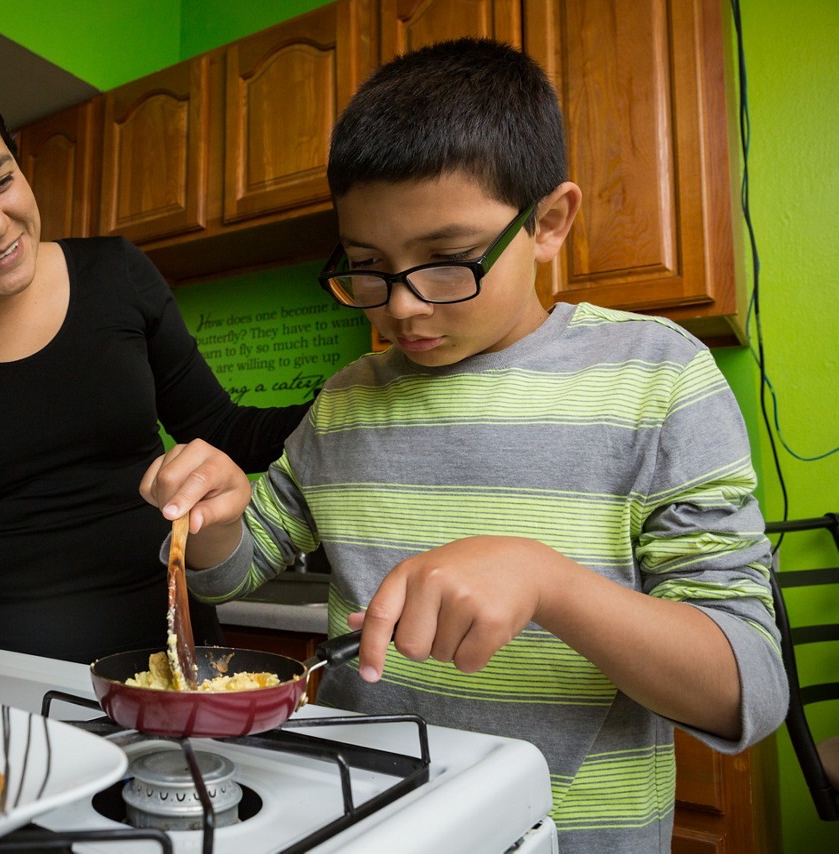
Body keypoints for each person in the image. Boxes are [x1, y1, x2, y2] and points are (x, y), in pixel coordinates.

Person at [140, 38, 787, 853]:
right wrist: (222, 513)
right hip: (364, 820)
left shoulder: (658, 378)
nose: (403, 308)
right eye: (369, 267)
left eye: (447, 262)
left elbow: (749, 688)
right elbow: (235, 569)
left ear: (549, 222)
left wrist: (549, 583)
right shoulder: (345, 401)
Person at [0, 49, 309, 662]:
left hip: (167, 656)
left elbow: (227, 430)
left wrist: (355, 400)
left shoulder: (118, 274)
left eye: (2, 181)